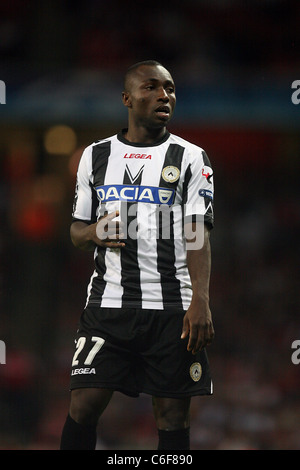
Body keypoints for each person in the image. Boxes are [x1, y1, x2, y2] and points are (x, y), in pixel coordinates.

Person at [60, 60, 215, 450]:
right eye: (152, 87)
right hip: (108, 302)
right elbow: (77, 231)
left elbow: (196, 232)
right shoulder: (94, 156)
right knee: (83, 404)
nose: (165, 95)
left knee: (172, 415)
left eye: (170, 88)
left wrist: (201, 298)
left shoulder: (191, 158)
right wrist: (95, 230)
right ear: (127, 99)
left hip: (172, 308)